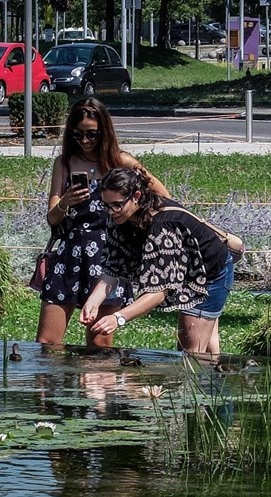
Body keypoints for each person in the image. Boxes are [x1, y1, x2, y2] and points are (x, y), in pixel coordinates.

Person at [35, 97, 170, 348]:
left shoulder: (122, 162)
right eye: (78, 135)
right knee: (47, 343)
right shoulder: (64, 163)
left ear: (104, 132)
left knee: (100, 342)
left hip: (110, 256)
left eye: (92, 134)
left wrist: (135, 225)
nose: (85, 141)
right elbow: (52, 217)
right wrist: (65, 201)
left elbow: (164, 197)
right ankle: (52, 387)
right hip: (69, 255)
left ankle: (94, 387)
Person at [80, 167, 234, 356]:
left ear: (136, 196)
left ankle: (204, 382)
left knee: (191, 354)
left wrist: (118, 318)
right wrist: (93, 301)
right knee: (205, 348)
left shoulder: (162, 227)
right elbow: (112, 267)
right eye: (106, 205)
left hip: (208, 276)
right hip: (187, 269)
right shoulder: (119, 217)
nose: (111, 212)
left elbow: (158, 292)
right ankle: (214, 380)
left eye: (117, 205)